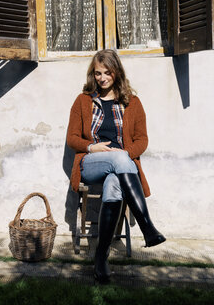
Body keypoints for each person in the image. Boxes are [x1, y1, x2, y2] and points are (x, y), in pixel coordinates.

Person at [67, 49, 166, 283]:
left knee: (114, 184)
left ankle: (100, 258)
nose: (102, 78)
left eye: (107, 72)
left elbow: (142, 140)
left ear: (117, 72)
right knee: (120, 160)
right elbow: (72, 139)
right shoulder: (83, 101)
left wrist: (125, 153)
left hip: (118, 167)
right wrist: (93, 147)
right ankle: (148, 227)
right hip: (90, 163)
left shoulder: (133, 102)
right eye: (97, 73)